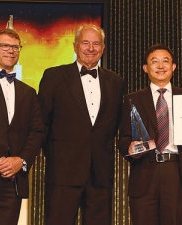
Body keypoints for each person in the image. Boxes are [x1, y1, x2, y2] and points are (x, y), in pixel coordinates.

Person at [118, 43, 182, 225]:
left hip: (177, 172)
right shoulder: (133, 99)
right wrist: (128, 147)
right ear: (145, 68)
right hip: (145, 171)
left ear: (173, 66)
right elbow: (123, 138)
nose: (160, 66)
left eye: (165, 61)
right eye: (154, 62)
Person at [38, 24, 124, 225]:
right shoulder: (54, 77)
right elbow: (42, 124)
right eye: (85, 42)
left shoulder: (116, 81)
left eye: (96, 44)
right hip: (62, 173)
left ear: (103, 48)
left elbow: (115, 125)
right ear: (75, 46)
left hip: (100, 175)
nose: (91, 48)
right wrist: (56, 156)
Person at [0, 29, 44, 224]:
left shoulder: (29, 92)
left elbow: (37, 131)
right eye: (4, 45)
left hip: (12, 183)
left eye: (15, 47)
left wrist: (20, 161)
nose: (10, 51)